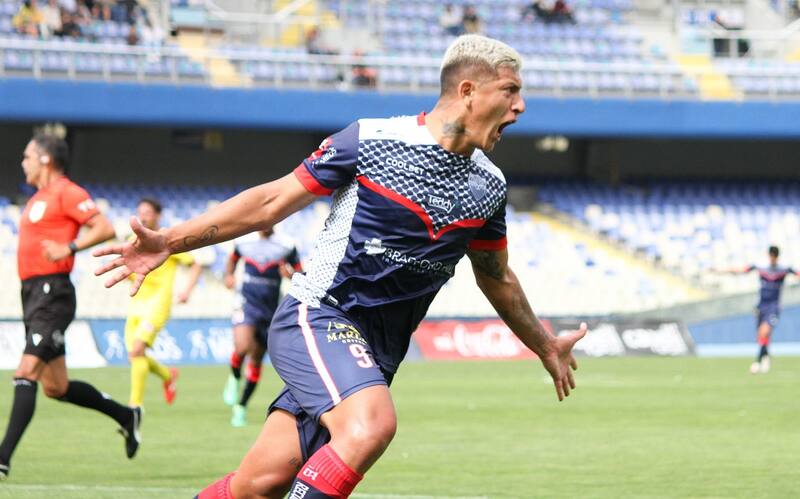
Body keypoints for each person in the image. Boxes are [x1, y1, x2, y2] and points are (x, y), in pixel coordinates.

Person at [94, 34, 587, 499]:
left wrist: (544, 345)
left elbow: (495, 276)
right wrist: (170, 241)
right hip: (319, 317)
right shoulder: (372, 140)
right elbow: (271, 202)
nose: (520, 107)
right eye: (511, 91)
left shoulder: (489, 186)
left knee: (259, 484)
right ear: (468, 91)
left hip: (376, 355)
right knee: (371, 425)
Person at [0, 133, 140, 481]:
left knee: (25, 372)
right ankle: (126, 416)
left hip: (53, 294)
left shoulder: (66, 191)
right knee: (55, 388)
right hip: (32, 295)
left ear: (46, 159)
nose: (23, 161)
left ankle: (2, 459)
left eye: (28, 155)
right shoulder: (37, 198)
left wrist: (70, 247)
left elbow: (104, 227)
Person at [124, 198, 202, 409]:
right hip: (136, 303)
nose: (143, 216)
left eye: (148, 212)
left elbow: (196, 265)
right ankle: (168, 375)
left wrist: (187, 290)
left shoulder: (168, 239)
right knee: (134, 354)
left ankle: (134, 406)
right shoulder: (132, 240)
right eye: (140, 211)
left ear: (158, 215)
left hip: (158, 303)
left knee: (138, 348)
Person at [222, 229, 302, 427]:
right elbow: (232, 260)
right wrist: (229, 276)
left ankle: (241, 406)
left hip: (271, 309)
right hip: (246, 303)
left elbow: (300, 274)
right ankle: (234, 378)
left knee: (257, 359)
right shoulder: (243, 241)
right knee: (241, 346)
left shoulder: (286, 244)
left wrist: (290, 274)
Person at [719, 246, 797, 374]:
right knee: (761, 336)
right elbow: (743, 270)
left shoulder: (783, 269)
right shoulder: (762, 267)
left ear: (777, 257)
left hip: (774, 306)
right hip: (761, 305)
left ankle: (757, 362)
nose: (772, 259)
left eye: (774, 257)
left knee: (764, 332)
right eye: (771, 256)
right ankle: (766, 356)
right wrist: (720, 270)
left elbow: (796, 273)